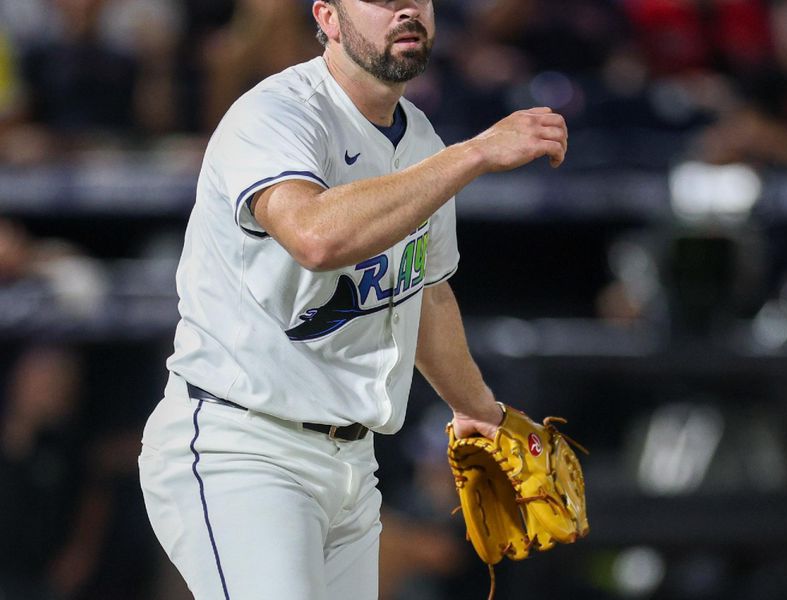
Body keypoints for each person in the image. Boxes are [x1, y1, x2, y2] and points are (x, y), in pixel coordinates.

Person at [137, 1, 567, 599]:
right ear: (329, 19)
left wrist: (482, 414)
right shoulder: (276, 114)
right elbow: (315, 236)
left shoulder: (421, 140)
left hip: (352, 465)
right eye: (382, 0)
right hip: (243, 446)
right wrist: (473, 154)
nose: (407, 10)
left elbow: (426, 293)